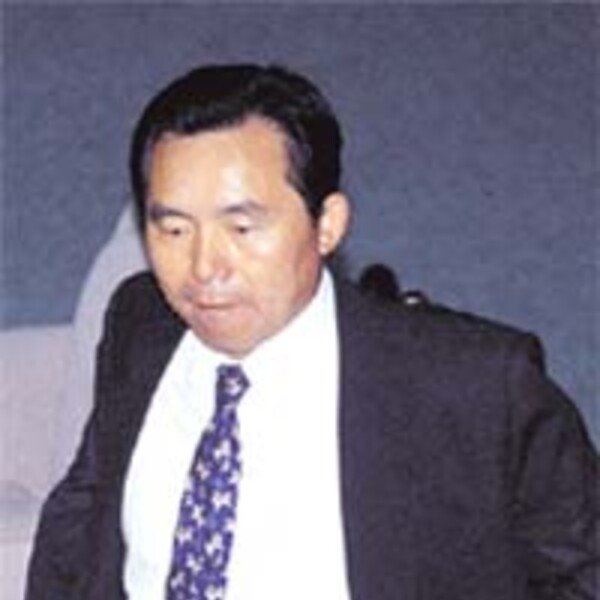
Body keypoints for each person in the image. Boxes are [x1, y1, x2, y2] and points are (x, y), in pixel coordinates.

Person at [26, 64, 598, 600]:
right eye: (174, 229)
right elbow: (80, 519)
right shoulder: (140, 321)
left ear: (327, 224)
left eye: (242, 228)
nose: (203, 269)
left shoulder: (479, 391)